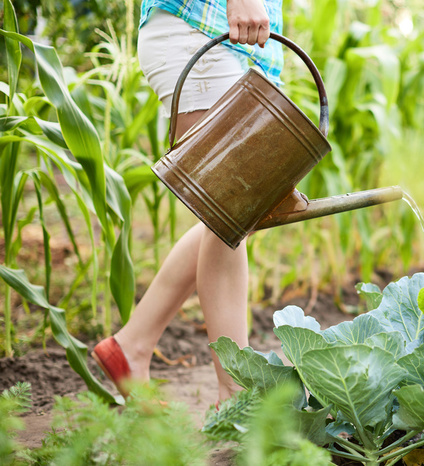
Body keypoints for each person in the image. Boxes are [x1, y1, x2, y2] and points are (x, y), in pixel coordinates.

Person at [91, 0, 288, 404]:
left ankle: (132, 345)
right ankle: (234, 392)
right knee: (230, 212)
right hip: (200, 32)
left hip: (230, 45)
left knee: (232, 215)